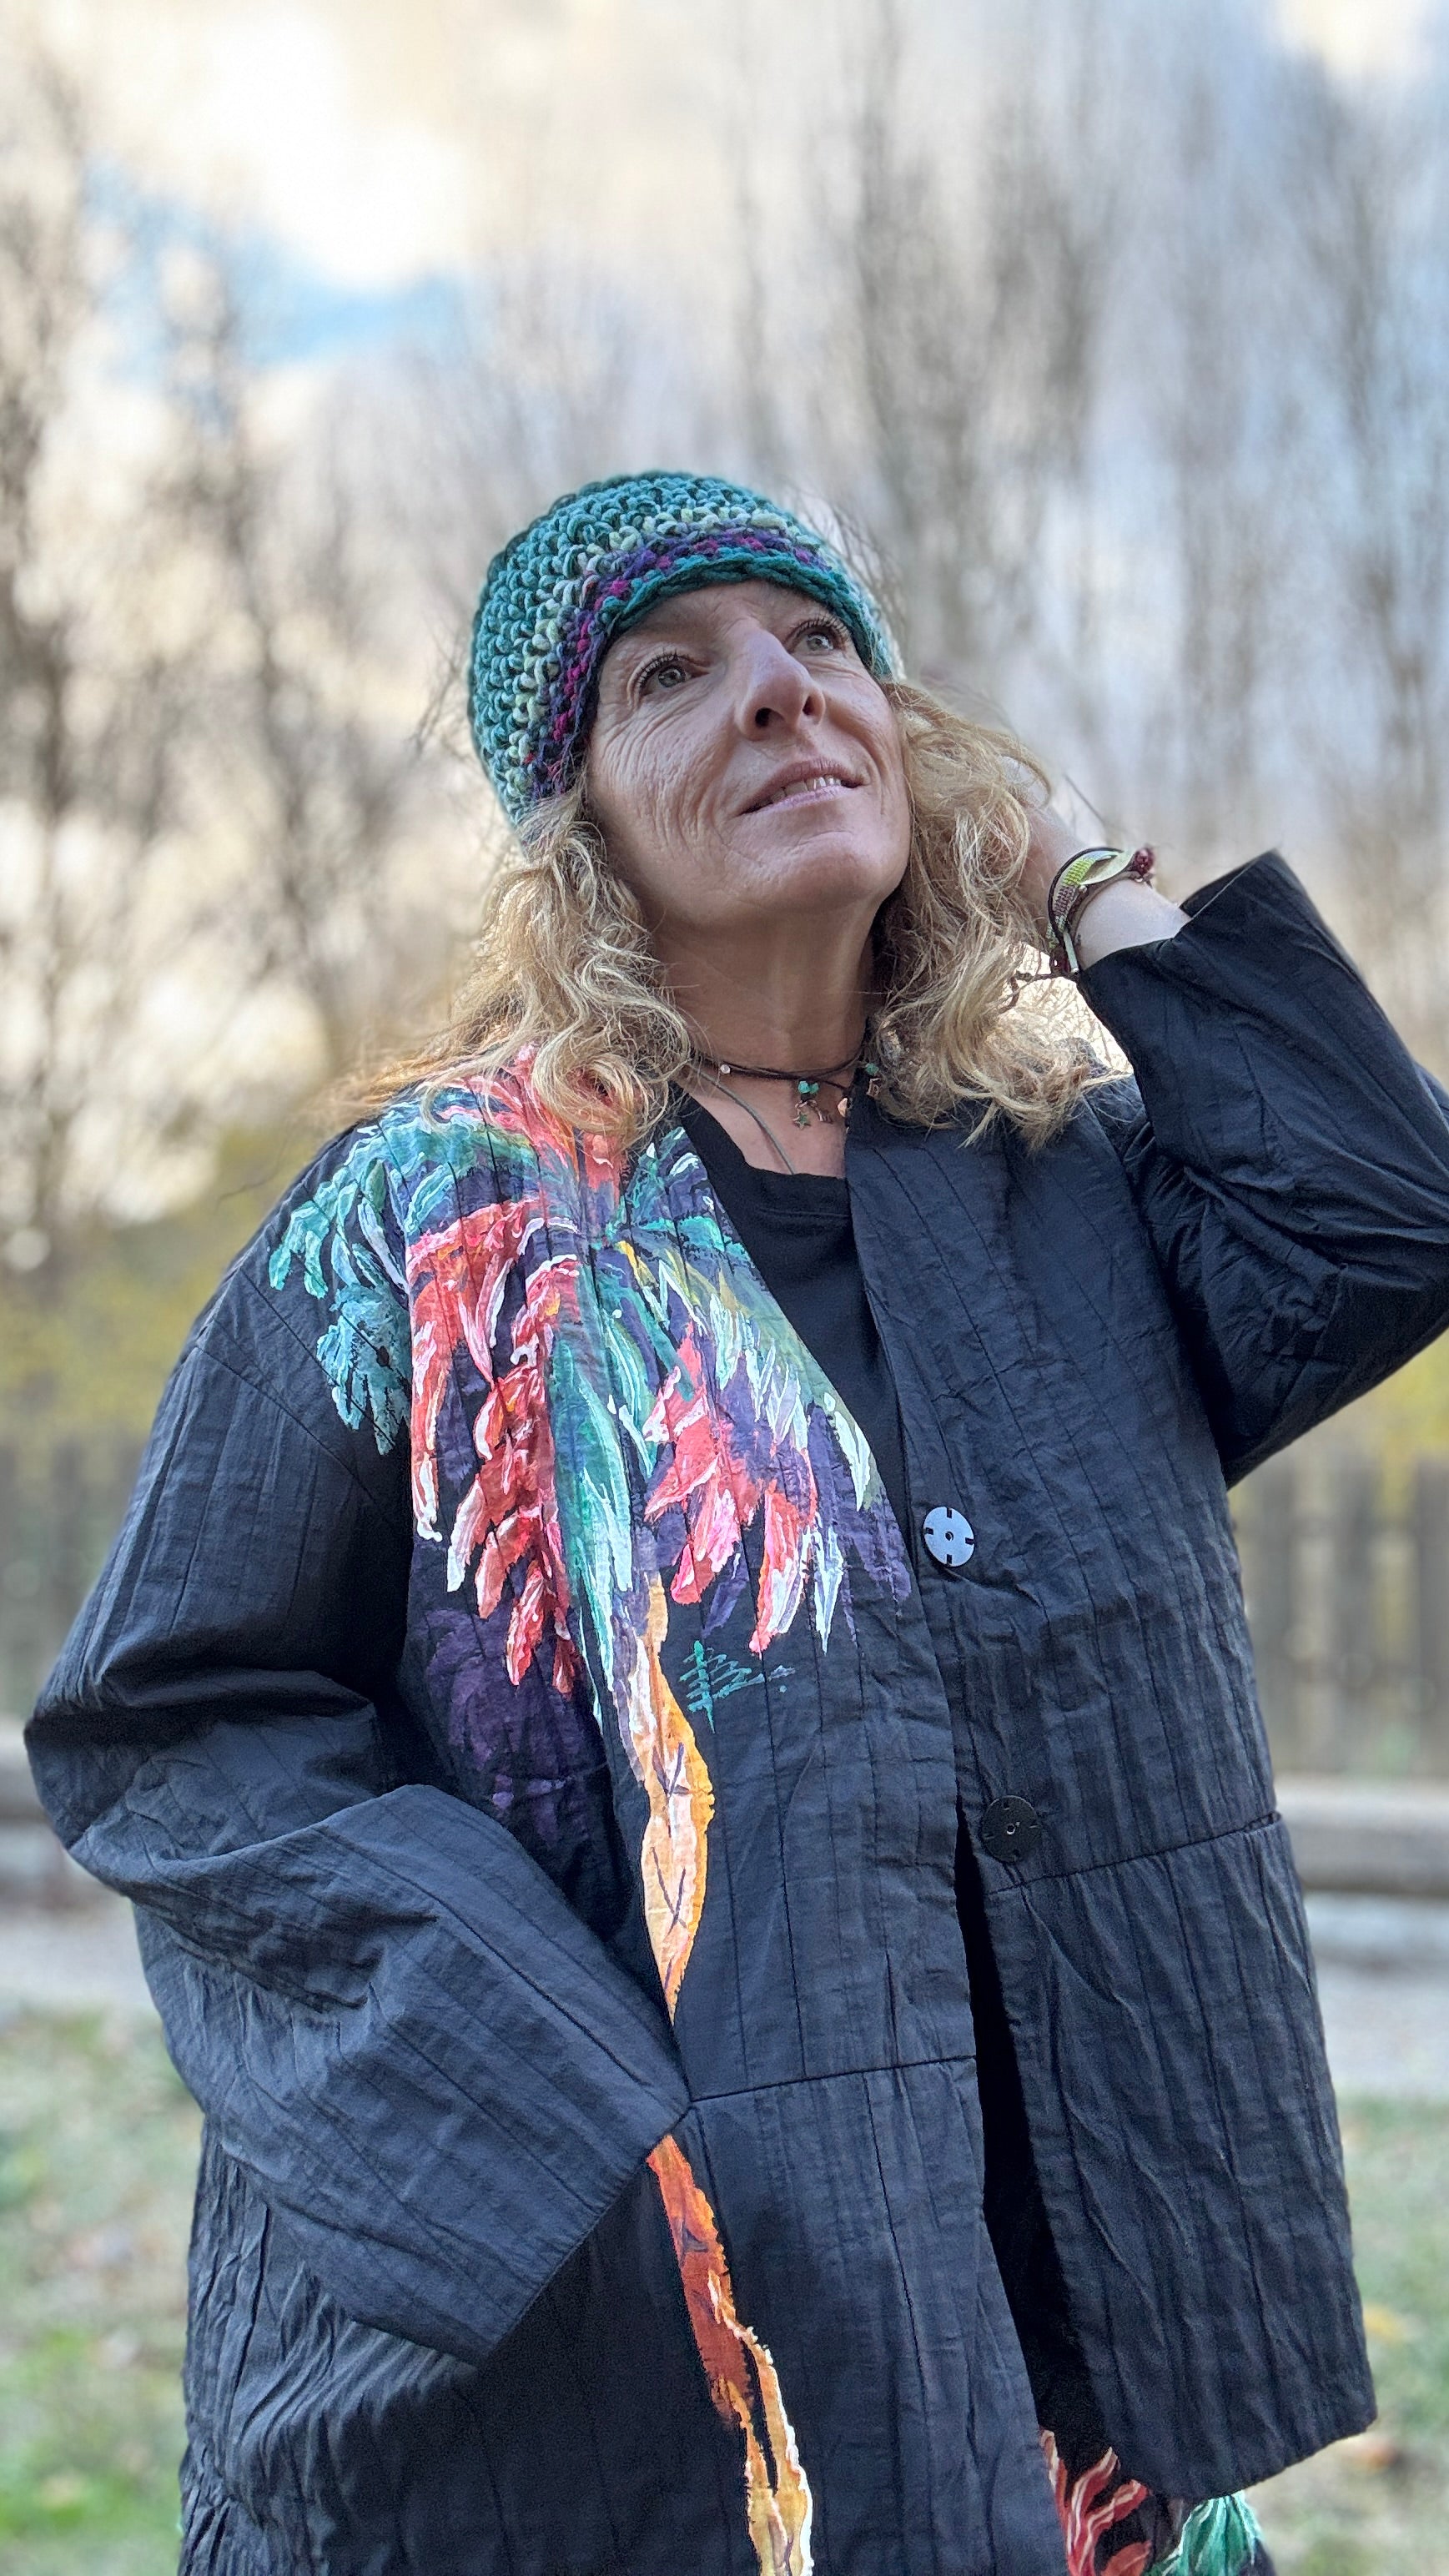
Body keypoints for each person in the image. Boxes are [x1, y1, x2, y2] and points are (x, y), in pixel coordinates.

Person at [28, 470, 1449, 2576]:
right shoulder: (439, 1220)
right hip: (611, 2383)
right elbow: (174, 1721)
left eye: (820, 647)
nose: (776, 694)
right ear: (580, 826)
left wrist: (1067, 876)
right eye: (668, 676)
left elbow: (1379, 1220)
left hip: (1059, 2398)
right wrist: (561, 2106)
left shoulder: (1053, 1183)